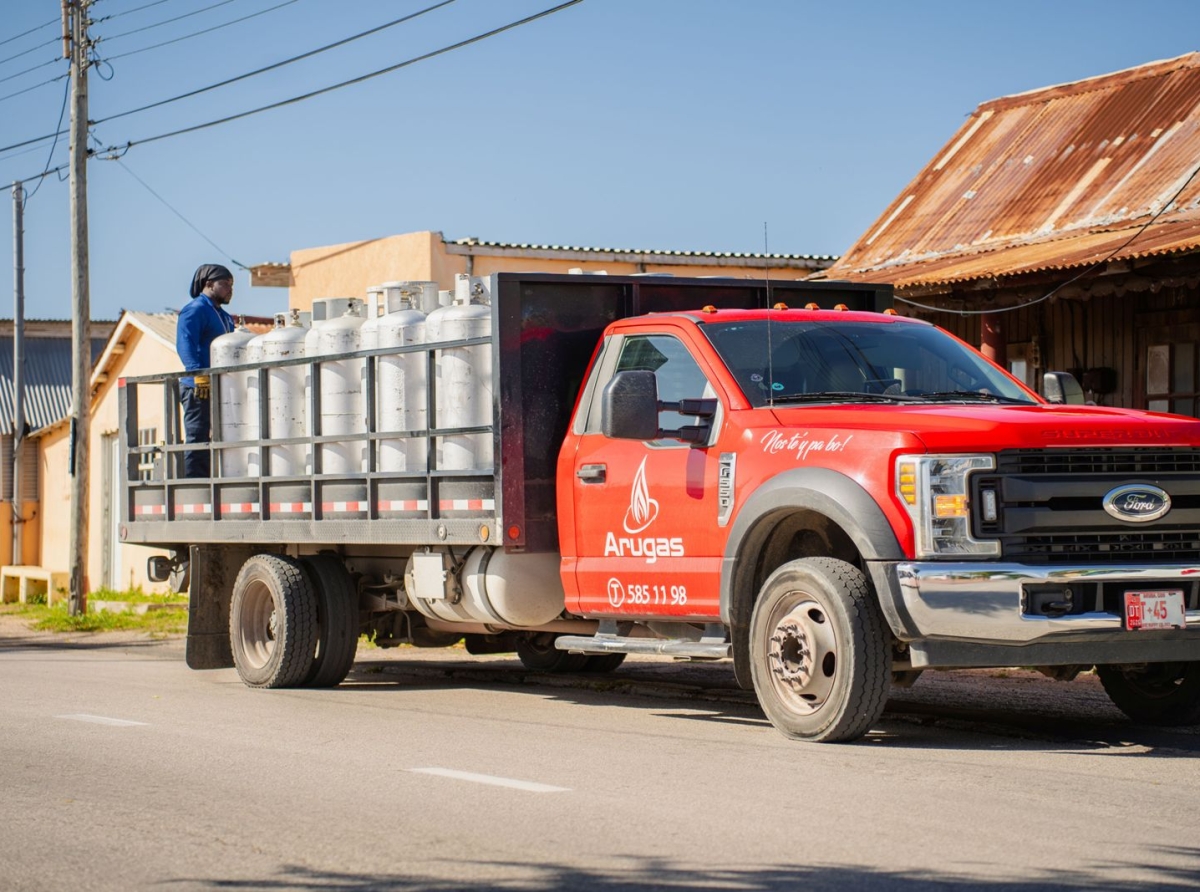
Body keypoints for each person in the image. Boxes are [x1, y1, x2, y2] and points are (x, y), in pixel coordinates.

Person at [177, 263, 235, 477]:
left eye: (232, 285)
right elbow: (185, 343)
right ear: (209, 284)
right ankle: (195, 484)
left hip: (221, 387)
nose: (230, 289)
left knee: (223, 435)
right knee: (198, 436)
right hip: (198, 387)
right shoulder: (195, 310)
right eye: (226, 284)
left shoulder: (225, 317)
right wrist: (197, 375)